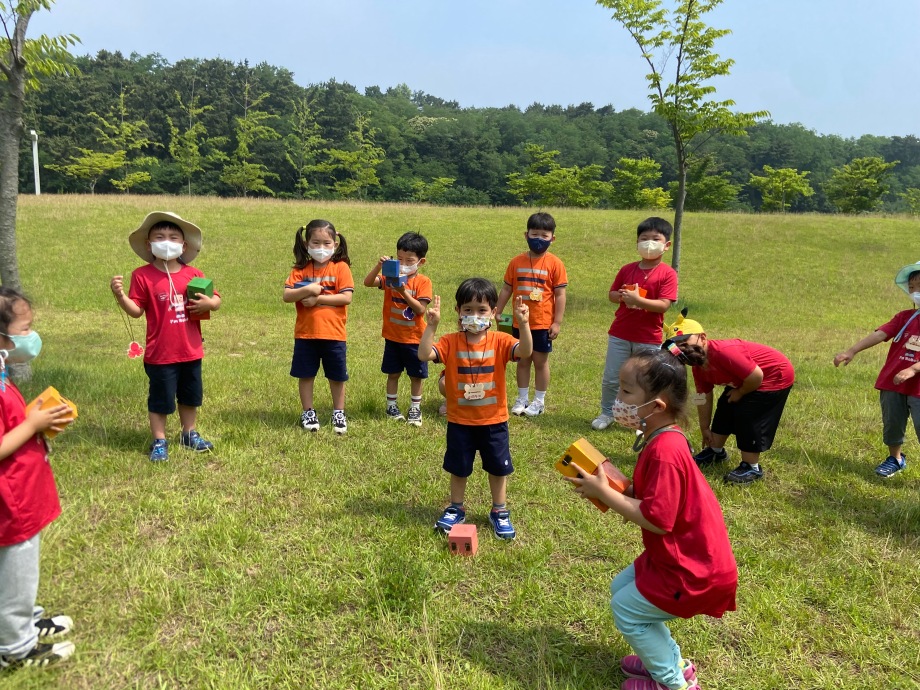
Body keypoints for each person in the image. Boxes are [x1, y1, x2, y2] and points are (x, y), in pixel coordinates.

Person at [565, 349, 736, 690]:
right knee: (622, 591)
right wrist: (616, 486)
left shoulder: (665, 451)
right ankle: (672, 663)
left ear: (656, 406)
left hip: (691, 569)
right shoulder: (662, 438)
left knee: (627, 610)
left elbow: (658, 519)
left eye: (627, 392)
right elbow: (651, 498)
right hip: (678, 557)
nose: (618, 399)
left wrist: (606, 493)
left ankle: (675, 684)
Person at [419, 279, 532, 540]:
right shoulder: (449, 342)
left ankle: (499, 510)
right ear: (458, 311)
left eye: (482, 310)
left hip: (494, 421)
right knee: (458, 467)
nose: (475, 316)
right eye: (468, 309)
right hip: (460, 422)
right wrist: (431, 326)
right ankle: (456, 507)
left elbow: (525, 351)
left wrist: (523, 324)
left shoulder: (501, 341)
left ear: (493, 312)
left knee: (497, 468)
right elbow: (424, 355)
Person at [0, 287, 77, 669]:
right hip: (10, 503)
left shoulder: (0, 368)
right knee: (15, 570)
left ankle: (24, 617)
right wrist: (32, 423)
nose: (31, 336)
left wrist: (35, 419)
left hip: (23, 492)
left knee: (19, 572)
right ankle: (16, 647)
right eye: (25, 328)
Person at [111, 212, 221, 462]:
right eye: (160, 237)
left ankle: (189, 433)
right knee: (160, 398)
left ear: (184, 245)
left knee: (190, 395)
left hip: (191, 350)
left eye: (173, 237)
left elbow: (216, 298)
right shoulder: (142, 275)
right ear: (149, 245)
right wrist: (120, 297)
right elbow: (136, 311)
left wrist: (211, 304)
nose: (166, 241)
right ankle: (159, 439)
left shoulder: (193, 273)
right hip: (160, 353)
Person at [666, 312, 795, 484]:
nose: (682, 350)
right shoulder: (698, 367)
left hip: (773, 377)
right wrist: (705, 427)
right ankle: (716, 451)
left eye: (685, 342)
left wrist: (740, 392)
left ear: (703, 338)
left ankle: (752, 467)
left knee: (749, 415)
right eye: (676, 346)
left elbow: (756, 377)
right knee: (725, 407)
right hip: (744, 380)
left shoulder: (723, 352)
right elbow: (702, 395)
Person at [833, 263, 920, 477]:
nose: (915, 291)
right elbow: (880, 334)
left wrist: (914, 369)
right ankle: (896, 458)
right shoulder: (904, 317)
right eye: (912, 287)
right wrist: (852, 350)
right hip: (893, 383)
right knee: (892, 424)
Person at [592, 217, 678, 431]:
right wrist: (621, 296)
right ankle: (607, 412)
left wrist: (639, 301)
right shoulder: (627, 269)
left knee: (645, 381)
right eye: (644, 238)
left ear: (666, 245)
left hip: (648, 337)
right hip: (620, 333)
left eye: (655, 239)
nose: (649, 243)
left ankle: (643, 418)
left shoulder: (668, 274)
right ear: (637, 242)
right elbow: (611, 295)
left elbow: (664, 305)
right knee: (612, 376)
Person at [284, 219, 354, 435]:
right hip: (305, 335)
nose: (321, 248)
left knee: (337, 376)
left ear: (335, 244)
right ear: (306, 244)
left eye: (326, 243)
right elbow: (287, 295)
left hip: (334, 334)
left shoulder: (340, 268)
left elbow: (346, 298)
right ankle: (308, 411)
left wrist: (318, 299)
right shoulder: (300, 270)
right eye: (316, 243)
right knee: (306, 375)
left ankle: (338, 412)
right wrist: (309, 289)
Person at [496, 212, 568, 417]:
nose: (539, 239)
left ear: (552, 238)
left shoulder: (556, 264)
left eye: (544, 236)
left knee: (540, 361)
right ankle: (522, 398)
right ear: (526, 235)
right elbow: (506, 289)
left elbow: (560, 294)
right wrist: (498, 311)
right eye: (535, 234)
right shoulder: (516, 262)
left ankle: (539, 401)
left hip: (542, 323)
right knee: (522, 360)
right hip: (520, 323)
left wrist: (557, 322)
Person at [362, 232, 433, 426]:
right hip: (392, 337)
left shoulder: (423, 282)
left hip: (414, 339)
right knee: (393, 373)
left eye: (409, 260)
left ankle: (415, 409)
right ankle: (391, 406)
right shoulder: (390, 278)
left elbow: (420, 309)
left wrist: (403, 292)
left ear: (421, 261)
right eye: (399, 259)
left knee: (416, 376)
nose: (403, 263)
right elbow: (367, 283)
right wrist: (379, 266)